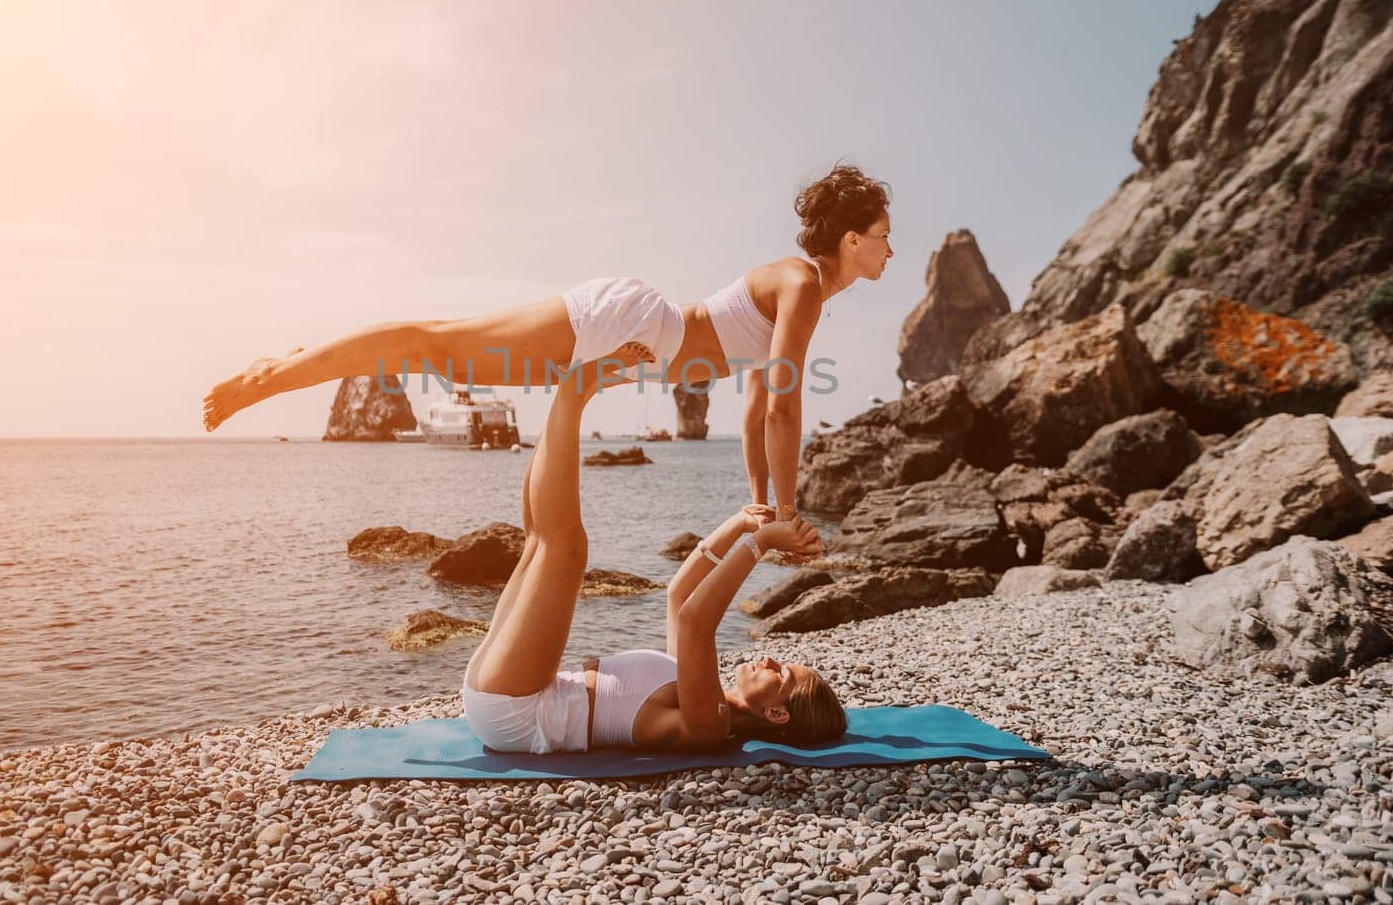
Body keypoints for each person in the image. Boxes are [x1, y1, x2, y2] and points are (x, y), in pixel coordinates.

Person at [201, 164, 892, 523]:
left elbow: (752, 406)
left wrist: (760, 503)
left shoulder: (803, 292)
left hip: (635, 346)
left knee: (435, 350)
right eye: (883, 234)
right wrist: (788, 513)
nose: (891, 249)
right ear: (851, 238)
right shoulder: (801, 284)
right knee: (434, 346)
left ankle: (282, 369)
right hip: (635, 329)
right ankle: (274, 374)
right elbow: (779, 409)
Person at [459, 362, 847, 753]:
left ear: (777, 714)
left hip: (518, 711)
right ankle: (568, 394)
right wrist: (739, 524)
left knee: (565, 549)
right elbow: (679, 596)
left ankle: (574, 391)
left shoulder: (711, 722)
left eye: (780, 674)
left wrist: (760, 545)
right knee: (538, 542)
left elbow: (696, 621)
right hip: (512, 693)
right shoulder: (702, 687)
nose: (769, 660)